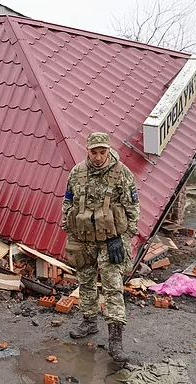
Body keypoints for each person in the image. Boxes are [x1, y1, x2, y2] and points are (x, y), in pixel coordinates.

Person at [61, 132, 140, 363]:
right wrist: (68, 225)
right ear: (88, 150)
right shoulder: (77, 173)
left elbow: (133, 209)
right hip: (84, 237)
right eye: (94, 152)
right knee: (85, 281)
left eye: (102, 152)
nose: (98, 157)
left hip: (111, 240)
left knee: (112, 286)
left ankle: (115, 339)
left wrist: (123, 238)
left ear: (108, 150)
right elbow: (68, 200)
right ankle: (89, 321)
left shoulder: (121, 173)